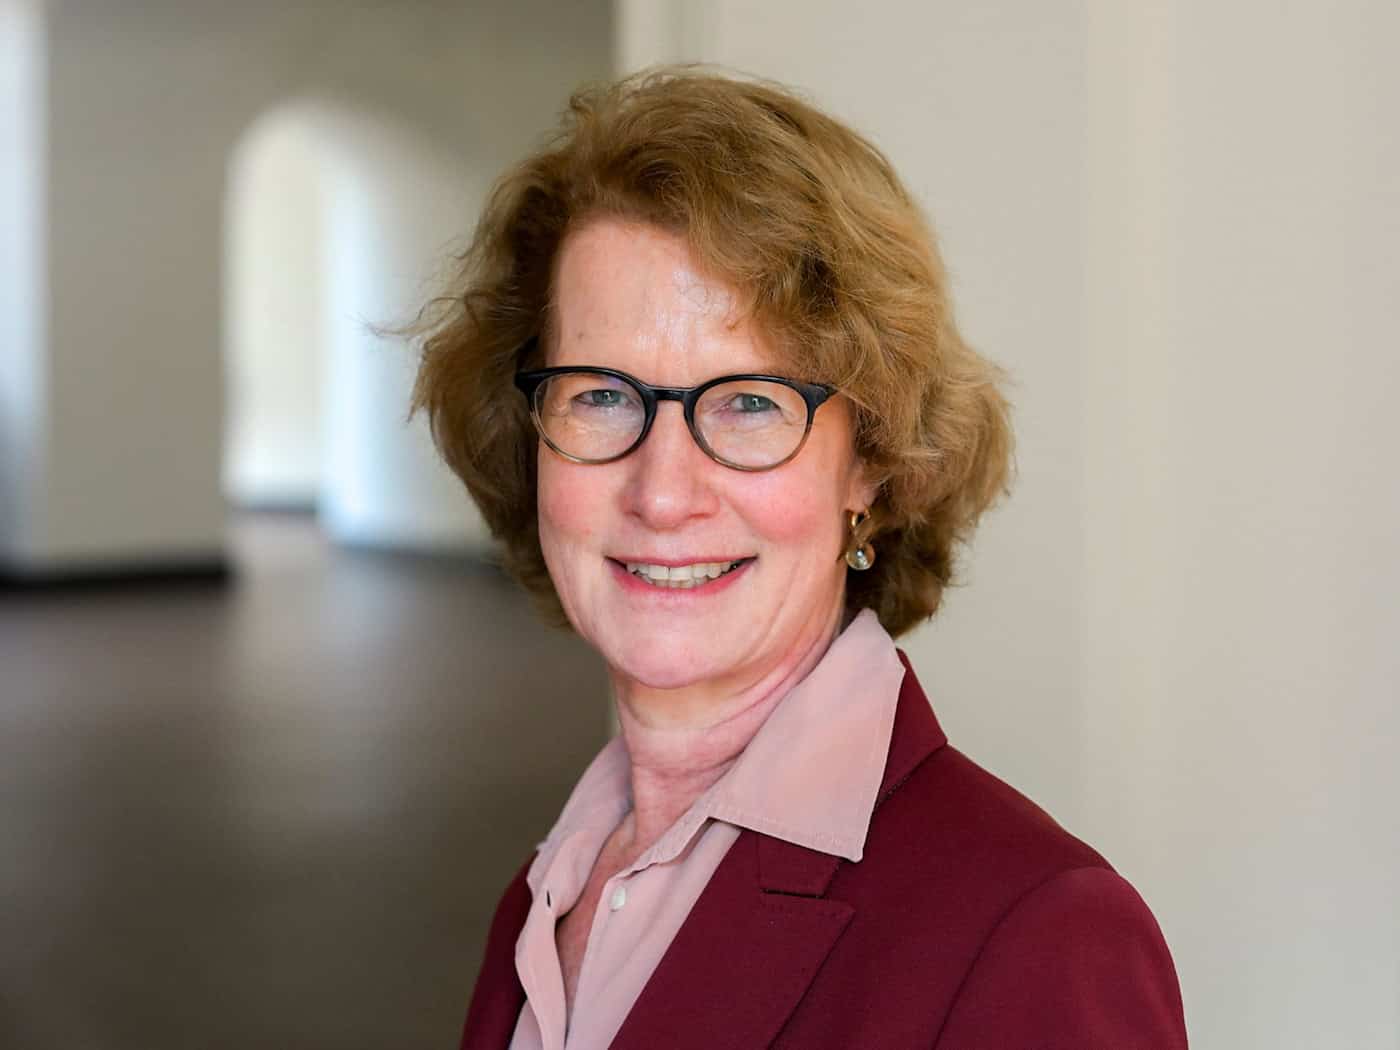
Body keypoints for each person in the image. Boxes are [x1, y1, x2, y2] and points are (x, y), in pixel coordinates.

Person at [410, 67, 1188, 1050]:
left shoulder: (1036, 932)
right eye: (600, 395)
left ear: (869, 462)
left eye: (747, 403)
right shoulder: (546, 891)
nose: (661, 492)